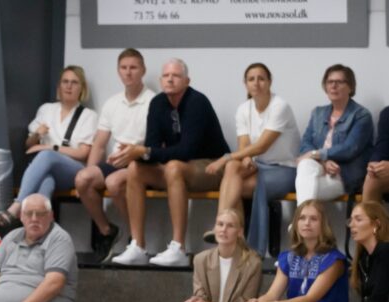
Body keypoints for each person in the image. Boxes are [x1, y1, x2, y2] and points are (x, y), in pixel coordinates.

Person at [111, 58, 230, 267]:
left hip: (213, 166)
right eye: (166, 76)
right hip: (180, 167)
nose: (170, 79)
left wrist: (145, 151)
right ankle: (137, 246)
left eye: (175, 75)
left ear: (187, 81)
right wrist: (132, 153)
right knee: (135, 168)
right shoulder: (158, 103)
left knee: (174, 166)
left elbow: (187, 150)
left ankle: (178, 248)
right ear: (160, 80)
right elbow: (153, 146)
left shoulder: (197, 102)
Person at [202, 63, 301, 256]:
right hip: (258, 166)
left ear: (269, 82)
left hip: (284, 169)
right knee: (233, 168)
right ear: (245, 84)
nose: (256, 83)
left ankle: (226, 230)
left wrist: (226, 157)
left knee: (234, 183)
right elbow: (245, 144)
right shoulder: (243, 109)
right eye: (251, 79)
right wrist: (245, 156)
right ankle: (229, 230)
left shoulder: (280, 106)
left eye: (261, 78)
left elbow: (262, 146)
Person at [74, 48, 154, 262]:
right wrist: (90, 169)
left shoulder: (153, 102)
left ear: (143, 70)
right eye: (123, 68)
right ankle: (107, 231)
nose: (128, 72)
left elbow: (157, 144)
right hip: (116, 161)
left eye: (133, 67)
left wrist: (134, 152)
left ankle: (136, 240)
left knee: (114, 182)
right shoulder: (112, 103)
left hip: (141, 162)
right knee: (82, 179)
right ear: (118, 71)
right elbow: (100, 144)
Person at [0, 66, 97, 227]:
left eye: (74, 82)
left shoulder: (88, 115)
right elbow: (29, 145)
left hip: (73, 171)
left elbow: (83, 153)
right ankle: (43, 228)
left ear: (82, 88)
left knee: (47, 156)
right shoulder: (47, 109)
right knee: (46, 180)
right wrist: (36, 135)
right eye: (65, 82)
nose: (69, 86)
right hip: (47, 169)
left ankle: (17, 206)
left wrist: (49, 148)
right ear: (59, 86)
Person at [294, 64, 373, 205]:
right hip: (317, 167)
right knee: (305, 166)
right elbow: (305, 143)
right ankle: (305, 218)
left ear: (350, 87)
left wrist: (317, 154)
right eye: (330, 82)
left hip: (343, 175)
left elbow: (350, 148)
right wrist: (323, 161)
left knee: (306, 189)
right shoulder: (318, 113)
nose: (333, 86)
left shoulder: (361, 115)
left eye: (339, 82)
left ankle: (301, 218)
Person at [358, 107, 389, 203]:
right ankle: (368, 212)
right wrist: (374, 164)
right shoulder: (387, 113)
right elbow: (382, 145)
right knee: (373, 178)